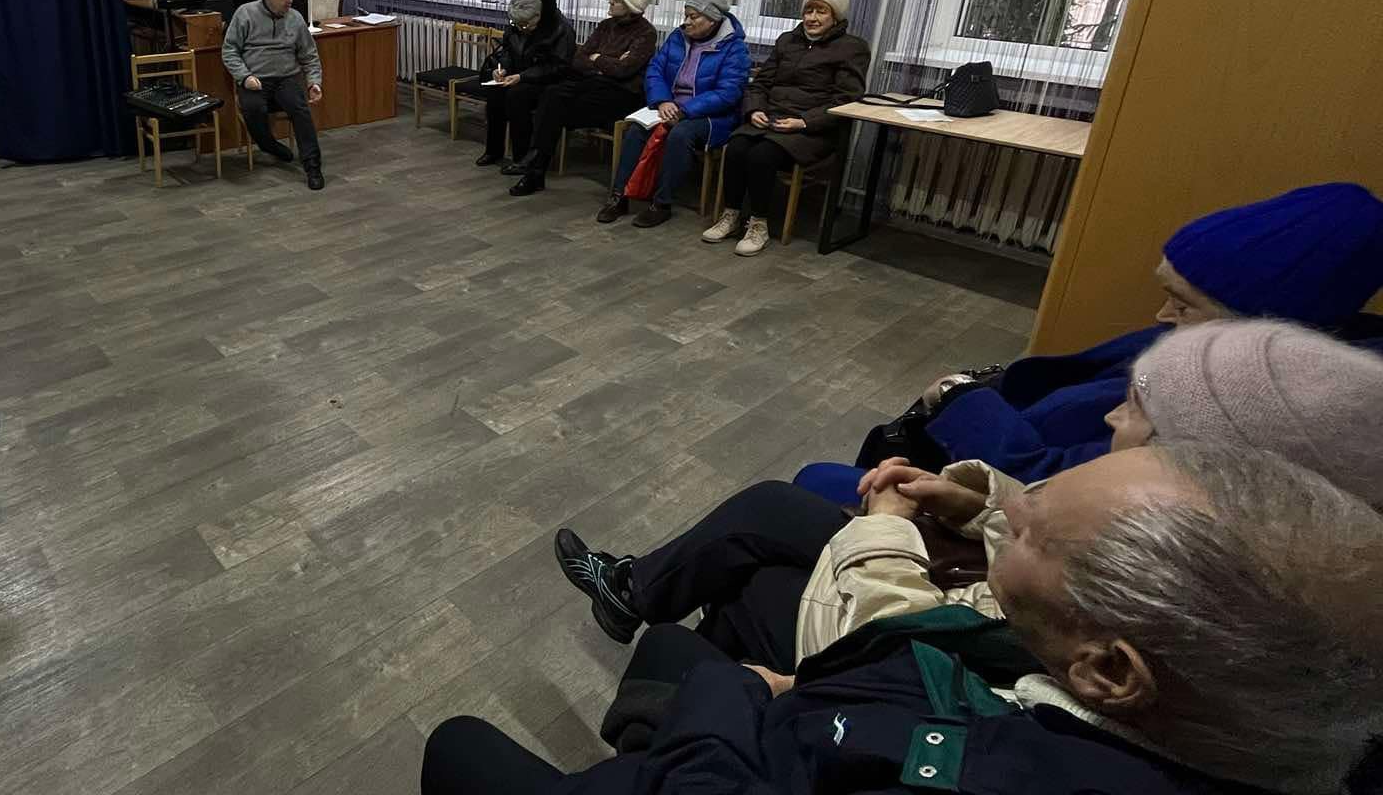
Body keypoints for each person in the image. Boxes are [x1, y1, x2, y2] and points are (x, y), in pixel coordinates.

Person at [434, 442, 1383, 795]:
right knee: (695, 625)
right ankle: (645, 623)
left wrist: (735, 698)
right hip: (804, 722)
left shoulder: (984, 759)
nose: (1008, 526)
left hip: (752, 746)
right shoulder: (1200, 707)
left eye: (1037, 537)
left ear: (1111, 668)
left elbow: (881, 660)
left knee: (456, 742)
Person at [551, 319, 1383, 673]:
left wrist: (884, 532)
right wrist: (973, 503)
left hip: (950, 650)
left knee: (761, 566)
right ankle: (665, 628)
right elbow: (1038, 528)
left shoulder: (1173, 589)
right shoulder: (1185, 528)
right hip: (970, 592)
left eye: (1135, 411)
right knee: (774, 515)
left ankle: (697, 663)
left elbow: (971, 631)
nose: (1110, 415)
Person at [793, 181, 1383, 502]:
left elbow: (1052, 483)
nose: (1159, 313)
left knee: (805, 487)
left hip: (1004, 505)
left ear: (1262, 331)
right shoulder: (1211, 353)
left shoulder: (1237, 420)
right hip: (987, 452)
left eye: (1182, 304)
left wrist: (956, 395)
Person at [703, 0, 869, 255]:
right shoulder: (787, 41)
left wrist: (804, 122)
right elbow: (760, 84)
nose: (812, 18)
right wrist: (754, 110)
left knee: (762, 156)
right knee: (737, 148)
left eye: (821, 12)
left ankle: (759, 224)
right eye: (809, 10)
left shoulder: (853, 48)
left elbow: (846, 100)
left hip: (812, 130)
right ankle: (731, 215)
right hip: (772, 119)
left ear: (835, 17)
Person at [595, 0, 751, 228]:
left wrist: (685, 111)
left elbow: (728, 92)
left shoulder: (735, 48)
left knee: (680, 134)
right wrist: (663, 100)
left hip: (711, 116)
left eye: (693, 16)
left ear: (712, 19)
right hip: (670, 105)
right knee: (636, 130)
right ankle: (619, 196)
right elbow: (655, 70)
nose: (686, 22)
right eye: (686, 15)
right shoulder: (678, 37)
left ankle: (661, 203)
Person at [504, 0, 659, 196]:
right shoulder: (606, 25)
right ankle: (534, 169)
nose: (610, 1)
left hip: (621, 95)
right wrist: (607, 63)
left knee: (553, 105)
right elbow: (578, 59)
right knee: (552, 95)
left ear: (632, 6)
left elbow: (624, 71)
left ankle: (534, 169)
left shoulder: (647, 33)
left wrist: (598, 58)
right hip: (592, 83)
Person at [222, 0, 325, 190]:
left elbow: (309, 54)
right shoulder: (245, 14)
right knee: (253, 108)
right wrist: (244, 76)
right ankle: (269, 145)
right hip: (255, 79)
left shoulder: (295, 18)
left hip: (286, 78)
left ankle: (313, 166)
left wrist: (314, 82)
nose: (290, 0)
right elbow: (229, 51)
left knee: (300, 110)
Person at [476, 0, 576, 171]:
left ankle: (522, 159)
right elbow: (507, 51)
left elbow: (558, 67)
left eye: (526, 25)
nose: (521, 28)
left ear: (538, 15)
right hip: (519, 77)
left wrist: (523, 76)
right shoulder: (517, 23)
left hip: (549, 83)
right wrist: (501, 69)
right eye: (517, 24)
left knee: (516, 96)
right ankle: (493, 150)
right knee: (495, 92)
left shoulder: (561, 30)